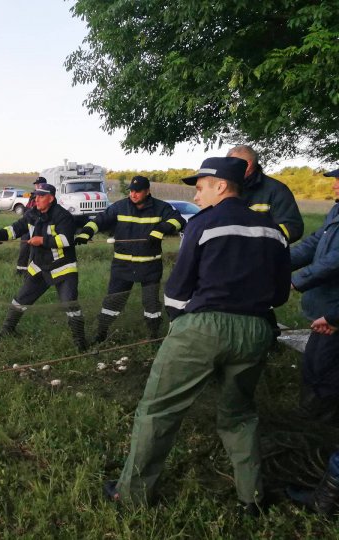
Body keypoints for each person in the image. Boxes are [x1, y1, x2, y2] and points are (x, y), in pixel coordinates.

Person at [104, 157, 291, 515]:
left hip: (203, 328)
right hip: (256, 330)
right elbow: (281, 294)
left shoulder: (203, 223)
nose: (198, 193)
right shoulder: (271, 229)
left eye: (201, 186)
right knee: (239, 414)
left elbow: (177, 289)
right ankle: (252, 499)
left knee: (158, 410)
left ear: (221, 186)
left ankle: (131, 496)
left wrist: (180, 324)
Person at [75, 176, 185, 343]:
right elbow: (99, 220)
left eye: (138, 191)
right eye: (131, 191)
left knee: (151, 305)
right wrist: (85, 233)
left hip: (150, 267)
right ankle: (101, 334)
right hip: (122, 267)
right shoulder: (119, 206)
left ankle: (153, 337)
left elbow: (179, 221)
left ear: (147, 191)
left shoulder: (161, 207)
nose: (133, 194)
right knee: (112, 302)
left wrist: (161, 229)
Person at [0, 183, 87, 351]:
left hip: (63, 268)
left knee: (70, 304)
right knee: (20, 299)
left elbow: (67, 240)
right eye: (35, 195)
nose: (36, 199)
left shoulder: (63, 216)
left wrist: (42, 241)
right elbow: (16, 228)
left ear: (51, 198)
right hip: (39, 267)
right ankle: (7, 330)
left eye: (41, 196)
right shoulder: (33, 213)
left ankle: (80, 342)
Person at [290, 167, 339, 422]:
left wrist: (296, 280)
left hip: (334, 310)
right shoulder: (336, 211)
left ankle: (321, 427)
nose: (334, 186)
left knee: (324, 371)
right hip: (326, 308)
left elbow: (334, 261)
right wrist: (276, 262)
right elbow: (314, 243)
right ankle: (310, 417)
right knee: (313, 365)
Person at [227, 145, 304, 243]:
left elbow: (293, 227)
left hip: (263, 256)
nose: (227, 168)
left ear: (247, 165)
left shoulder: (277, 190)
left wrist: (258, 243)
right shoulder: (226, 188)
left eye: (231, 163)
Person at [16, 177, 44, 275]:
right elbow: (28, 209)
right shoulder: (33, 196)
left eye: (39, 184)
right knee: (24, 249)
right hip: (27, 227)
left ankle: (34, 273)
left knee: (35, 251)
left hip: (37, 228)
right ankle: (20, 271)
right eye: (36, 184)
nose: (36, 186)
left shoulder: (46, 197)